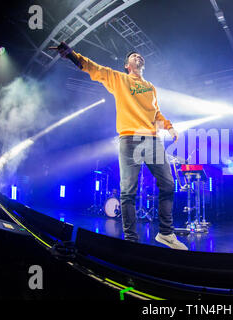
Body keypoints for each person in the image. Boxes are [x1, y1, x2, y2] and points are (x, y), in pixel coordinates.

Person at [56, 42, 187, 250]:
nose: (138, 57)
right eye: (133, 56)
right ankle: (131, 241)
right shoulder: (119, 79)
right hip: (129, 139)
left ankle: (166, 233)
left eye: (139, 55)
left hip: (153, 139)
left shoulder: (151, 87)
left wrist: (169, 128)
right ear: (127, 65)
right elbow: (95, 69)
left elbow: (155, 113)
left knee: (169, 184)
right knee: (128, 192)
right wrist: (73, 56)